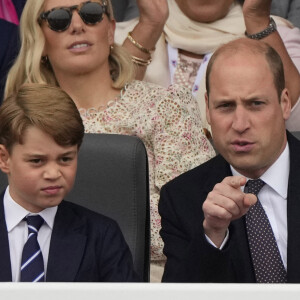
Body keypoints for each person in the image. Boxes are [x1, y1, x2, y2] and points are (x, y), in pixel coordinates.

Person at [4, 0, 215, 282]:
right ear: (37, 36)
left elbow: (194, 219)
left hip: (158, 279)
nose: (77, 26)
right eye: (58, 19)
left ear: (110, 28)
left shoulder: (165, 105)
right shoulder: (18, 121)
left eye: (91, 13)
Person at [158, 37, 300, 283]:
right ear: (208, 110)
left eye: (256, 104)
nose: (240, 124)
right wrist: (212, 234)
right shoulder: (182, 198)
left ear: (284, 103)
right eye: (225, 106)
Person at [0, 83, 138, 282]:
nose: (54, 173)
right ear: (4, 159)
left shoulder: (102, 236)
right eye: (37, 161)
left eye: (65, 159)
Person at [115, 0, 300, 133]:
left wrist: (258, 22)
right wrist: (149, 25)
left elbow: (295, 121)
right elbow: (102, 116)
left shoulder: (274, 35)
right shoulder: (118, 37)